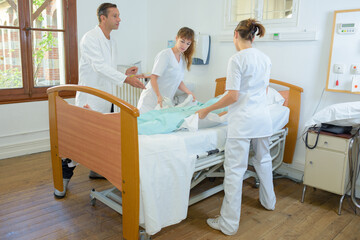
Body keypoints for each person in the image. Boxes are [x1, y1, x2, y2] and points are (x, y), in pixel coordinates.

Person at [54, 2, 146, 198]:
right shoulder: (90, 38)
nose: (119, 19)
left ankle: (97, 169)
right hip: (92, 97)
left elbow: (107, 68)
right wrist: (126, 79)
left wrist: (123, 72)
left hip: (107, 97)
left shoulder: (111, 40)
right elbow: (98, 67)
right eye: (115, 16)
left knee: (103, 137)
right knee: (80, 139)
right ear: (103, 18)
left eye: (119, 15)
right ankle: (62, 178)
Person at [196, 19, 276, 235]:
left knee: (234, 171)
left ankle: (228, 224)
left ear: (235, 35)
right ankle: (269, 202)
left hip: (243, 123)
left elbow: (233, 95)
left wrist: (206, 110)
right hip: (262, 120)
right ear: (253, 35)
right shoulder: (265, 59)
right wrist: (225, 111)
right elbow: (261, 92)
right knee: (264, 160)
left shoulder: (237, 59)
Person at [137, 27, 196, 114]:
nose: (184, 45)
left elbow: (178, 81)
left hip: (164, 101)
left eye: (188, 43)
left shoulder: (182, 60)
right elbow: (153, 77)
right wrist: (158, 96)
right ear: (176, 38)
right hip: (151, 99)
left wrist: (189, 92)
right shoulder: (165, 55)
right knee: (144, 124)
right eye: (182, 41)